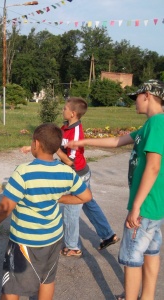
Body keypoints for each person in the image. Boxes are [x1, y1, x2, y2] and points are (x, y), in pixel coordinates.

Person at [67, 80, 164, 300]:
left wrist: (136, 206)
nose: (135, 102)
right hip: (155, 204)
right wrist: (82, 142)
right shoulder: (150, 125)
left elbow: (154, 166)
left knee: (132, 258)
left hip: (145, 204)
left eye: (136, 97)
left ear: (147, 95)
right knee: (150, 252)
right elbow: (117, 140)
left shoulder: (157, 124)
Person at [0, 123, 92, 300]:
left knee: (12, 286)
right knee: (46, 279)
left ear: (36, 144)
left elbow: (5, 207)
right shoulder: (66, 172)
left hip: (25, 240)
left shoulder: (24, 172)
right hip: (53, 237)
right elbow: (86, 197)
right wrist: (57, 197)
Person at [21, 97, 119, 257]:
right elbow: (52, 143)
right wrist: (31, 146)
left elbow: (70, 162)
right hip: (80, 172)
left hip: (78, 175)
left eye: (65, 108)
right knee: (88, 203)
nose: (62, 110)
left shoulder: (76, 132)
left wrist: (57, 160)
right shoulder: (65, 127)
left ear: (73, 113)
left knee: (71, 210)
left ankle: (73, 247)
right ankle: (108, 235)